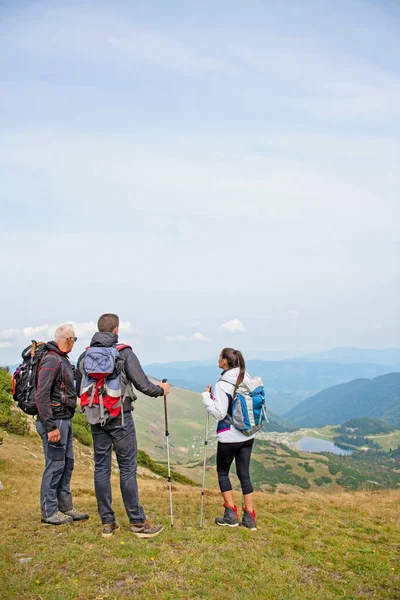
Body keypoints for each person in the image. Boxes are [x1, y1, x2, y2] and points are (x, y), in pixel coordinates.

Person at [76, 313, 171, 539]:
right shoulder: (124, 352)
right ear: (116, 330)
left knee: (101, 468)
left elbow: (78, 383)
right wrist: (162, 390)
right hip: (120, 417)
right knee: (127, 469)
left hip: (96, 418)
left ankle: (107, 522)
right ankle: (138, 523)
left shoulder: (85, 355)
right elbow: (143, 384)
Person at [35, 323, 89, 525]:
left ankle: (65, 507)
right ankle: (49, 512)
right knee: (55, 465)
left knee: (66, 465)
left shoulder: (60, 359)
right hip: (55, 421)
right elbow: (42, 395)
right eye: (74, 339)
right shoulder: (51, 360)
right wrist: (50, 427)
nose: (74, 343)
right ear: (68, 339)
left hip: (63, 419)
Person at [202, 348, 257, 530]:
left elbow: (219, 413)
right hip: (248, 434)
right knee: (245, 475)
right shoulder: (246, 376)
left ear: (225, 361)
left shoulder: (223, 383)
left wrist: (206, 398)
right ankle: (249, 518)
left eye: (220, 357)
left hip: (229, 435)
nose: (218, 359)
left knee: (223, 473)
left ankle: (230, 515)